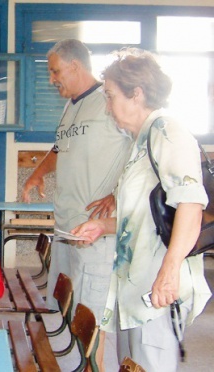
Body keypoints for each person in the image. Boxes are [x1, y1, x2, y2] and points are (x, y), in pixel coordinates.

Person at [71, 48, 211, 371]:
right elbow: (140, 213)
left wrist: (169, 270)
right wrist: (102, 227)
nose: (107, 107)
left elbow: (190, 204)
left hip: (155, 289)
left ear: (136, 94)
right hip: (133, 288)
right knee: (130, 365)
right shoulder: (141, 138)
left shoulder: (166, 131)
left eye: (110, 96)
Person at [21, 39, 132, 369]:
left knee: (90, 321)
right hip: (65, 228)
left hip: (95, 233)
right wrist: (37, 175)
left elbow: (141, 150)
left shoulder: (110, 102)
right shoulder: (70, 107)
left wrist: (119, 193)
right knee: (63, 311)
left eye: (55, 71)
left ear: (75, 66)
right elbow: (59, 148)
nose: (52, 79)